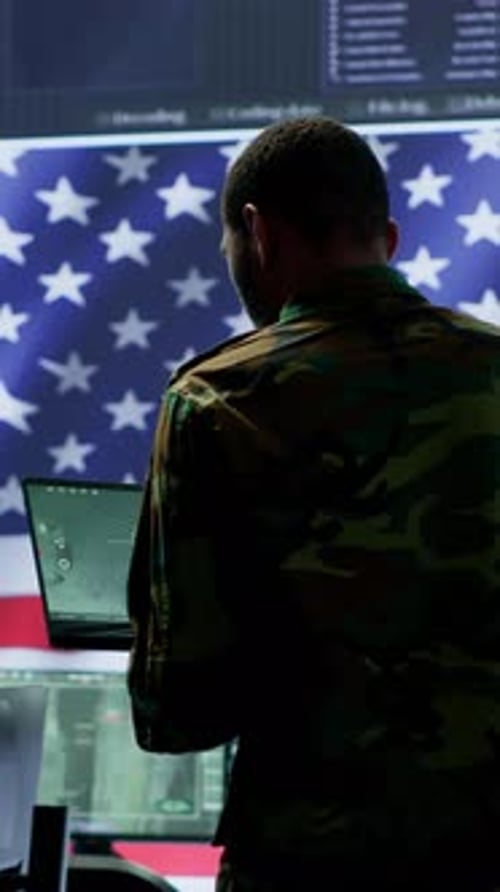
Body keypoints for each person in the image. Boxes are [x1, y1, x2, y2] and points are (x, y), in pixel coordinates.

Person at [127, 117, 500, 891]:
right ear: (388, 238)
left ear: (256, 233)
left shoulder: (217, 399)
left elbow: (177, 709)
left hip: (311, 858)